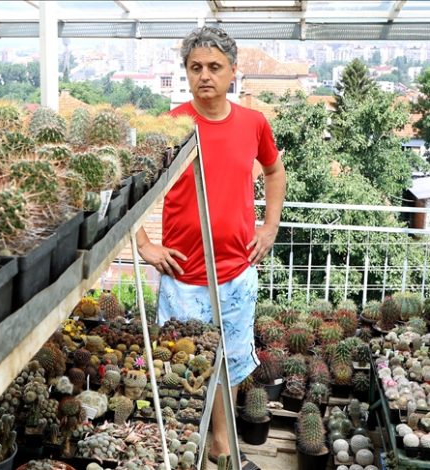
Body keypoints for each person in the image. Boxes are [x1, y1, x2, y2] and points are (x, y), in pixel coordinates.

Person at [136, 26, 286, 470]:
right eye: (195, 67)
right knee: (184, 371)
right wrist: (144, 244)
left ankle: (223, 446)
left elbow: (275, 173)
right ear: (185, 72)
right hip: (183, 278)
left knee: (233, 364)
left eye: (215, 67)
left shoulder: (253, 123)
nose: (205, 76)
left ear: (233, 73)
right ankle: (193, 453)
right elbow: (132, 189)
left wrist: (269, 227)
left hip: (236, 273)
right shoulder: (169, 126)